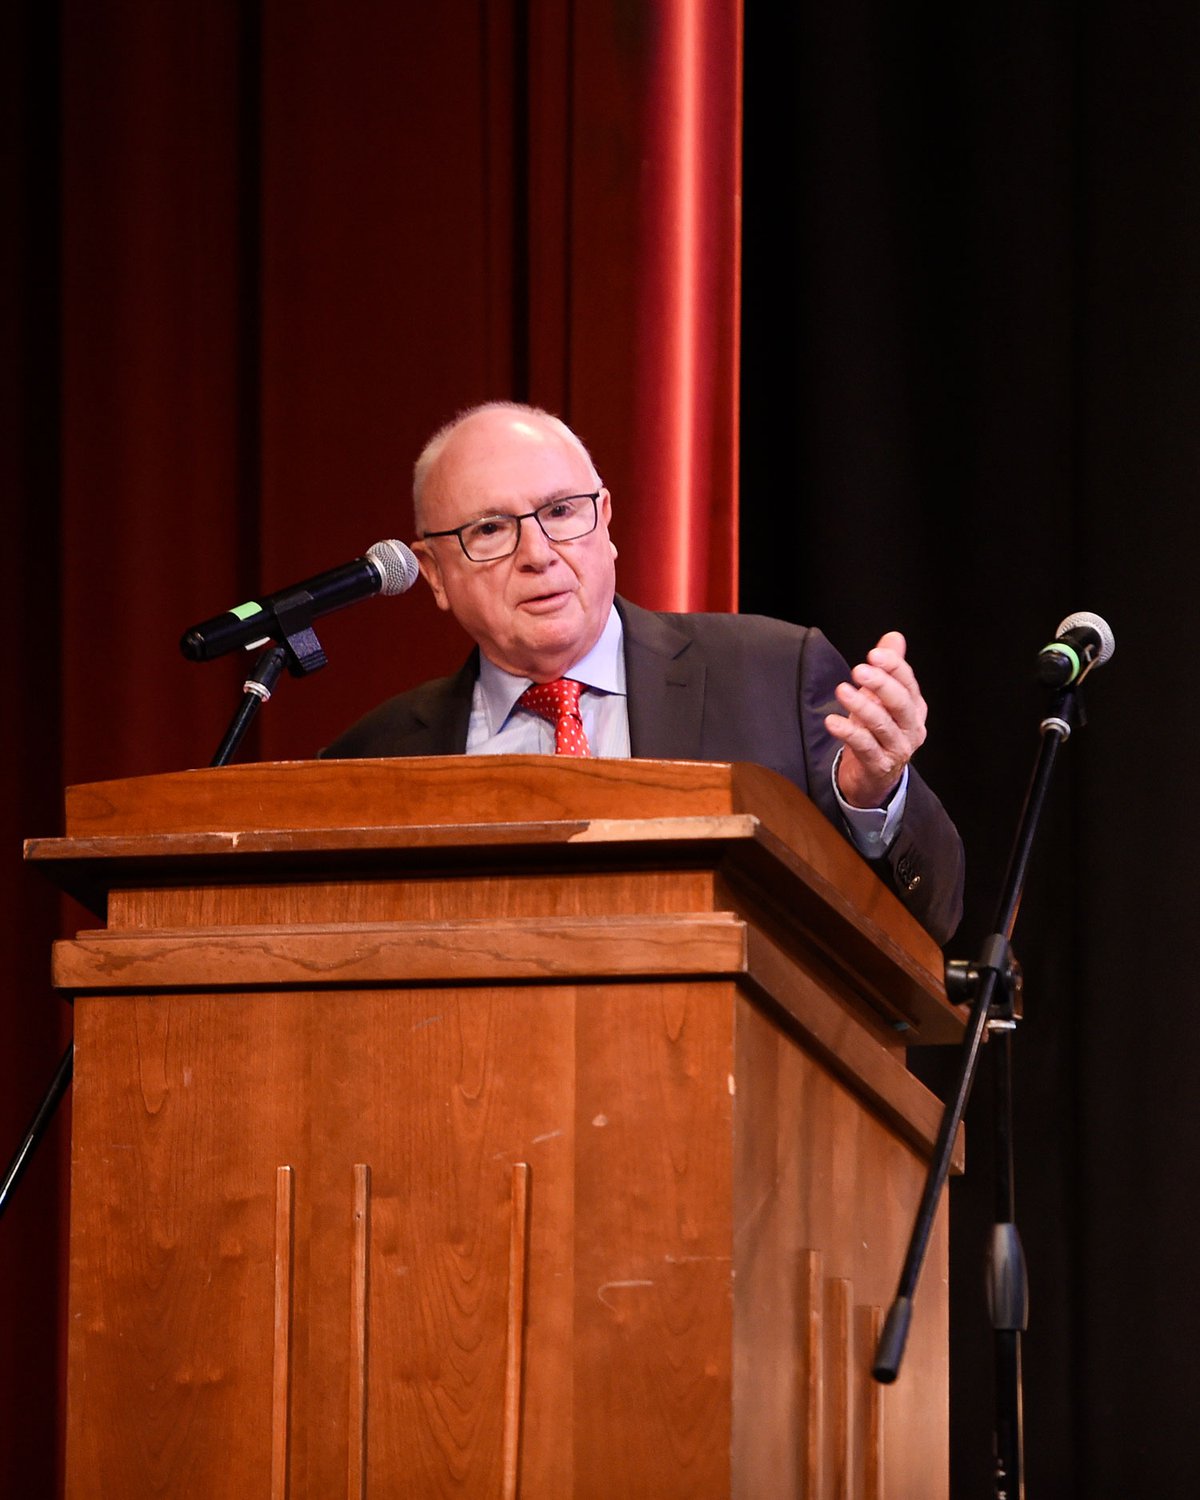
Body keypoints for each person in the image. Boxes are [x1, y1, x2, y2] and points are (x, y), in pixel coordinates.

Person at [324, 402, 964, 942]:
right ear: (434, 574)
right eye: (491, 528)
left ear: (606, 520)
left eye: (561, 512)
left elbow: (934, 916)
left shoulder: (772, 672)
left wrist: (873, 798)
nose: (538, 555)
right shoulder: (374, 758)